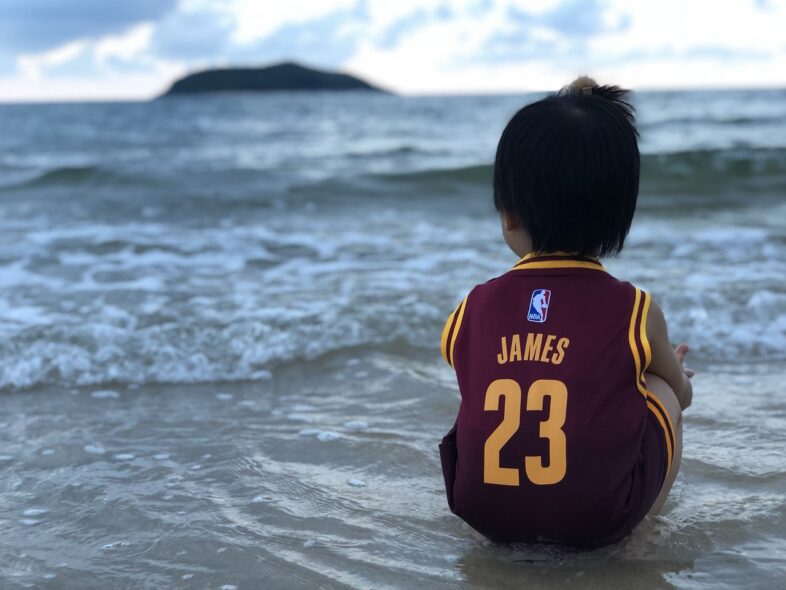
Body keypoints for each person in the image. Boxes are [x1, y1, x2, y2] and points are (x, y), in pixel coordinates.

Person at [437, 76, 694, 548]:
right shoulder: (635, 308)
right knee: (660, 387)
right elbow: (680, 393)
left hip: (481, 513)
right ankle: (638, 532)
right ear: (619, 217)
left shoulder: (471, 306)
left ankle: (514, 512)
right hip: (596, 524)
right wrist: (678, 377)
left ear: (509, 213)